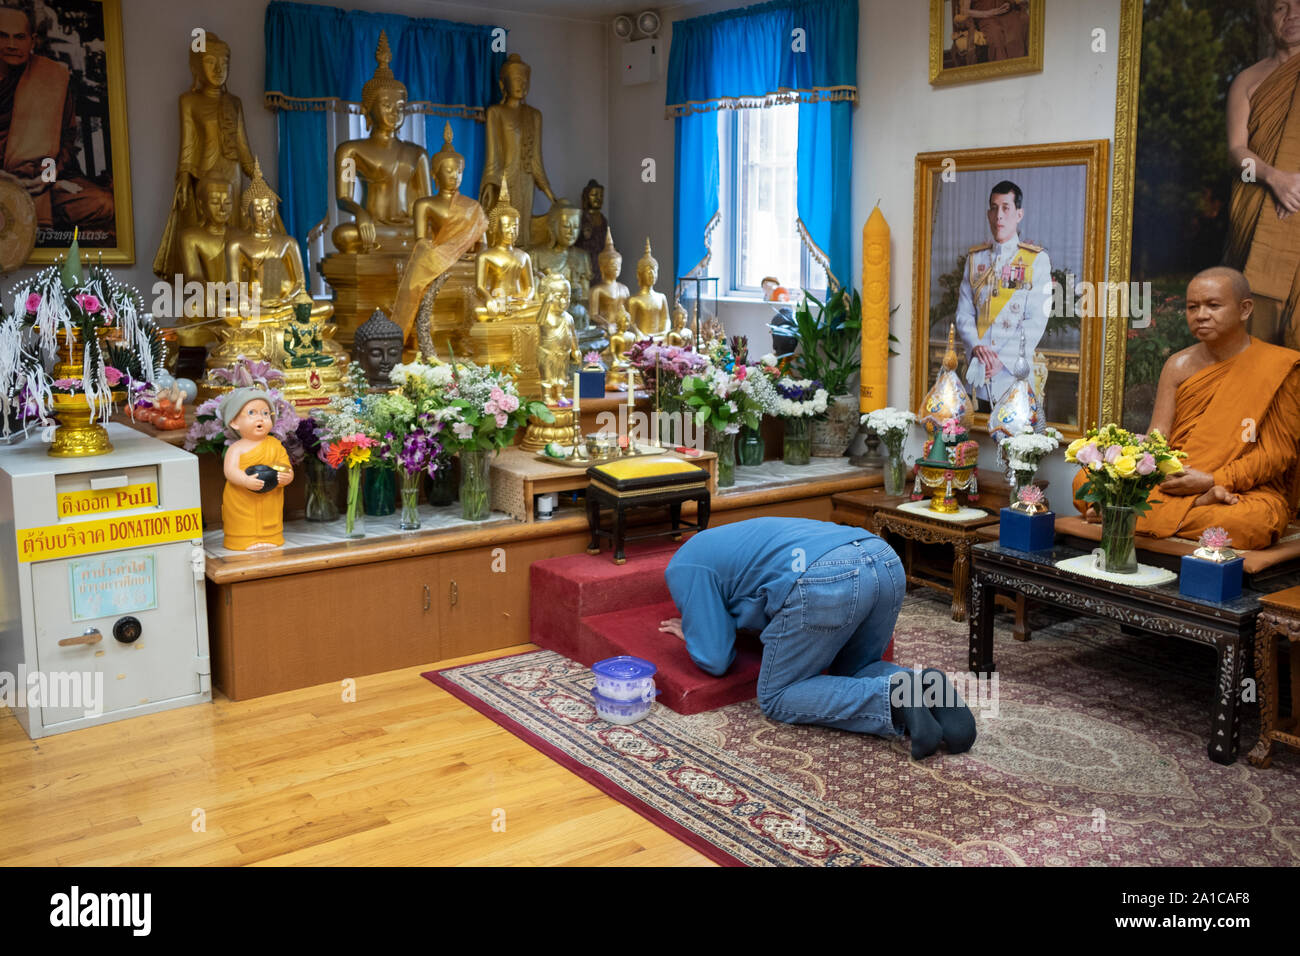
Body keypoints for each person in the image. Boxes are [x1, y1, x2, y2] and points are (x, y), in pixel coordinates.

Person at [659, 517, 976, 759]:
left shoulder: (682, 566)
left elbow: (715, 659)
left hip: (827, 578)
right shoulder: (735, 539)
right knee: (857, 668)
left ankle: (894, 697)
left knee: (778, 695)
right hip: (884, 559)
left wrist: (693, 632)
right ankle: (922, 685)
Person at [1075, 267, 1300, 550]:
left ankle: (1122, 514)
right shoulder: (1178, 366)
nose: (1201, 314)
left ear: (1245, 309)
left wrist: (1212, 480)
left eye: (1213, 305)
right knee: (1086, 481)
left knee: (1254, 522)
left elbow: (1277, 454)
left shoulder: (1279, 367)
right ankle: (1175, 508)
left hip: (1242, 489)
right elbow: (1159, 436)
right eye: (1193, 307)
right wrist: (1140, 464)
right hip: (1175, 480)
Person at [0, 4, 113, 240]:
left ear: (32, 41)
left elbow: (66, 142)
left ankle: (36, 211)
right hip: (2, 181)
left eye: (19, 37)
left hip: (43, 183)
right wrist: (6, 179)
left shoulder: (52, 77)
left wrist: (47, 178)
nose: (11, 44)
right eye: (3, 36)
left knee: (102, 204)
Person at [1225, 0, 1300, 347]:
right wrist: (1274, 178)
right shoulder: (1248, 80)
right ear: (1267, 18)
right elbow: (1237, 150)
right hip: (1258, 207)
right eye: (1281, 8)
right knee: (1257, 333)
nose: (1292, 15)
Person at [953, 179, 1052, 408]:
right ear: (988, 214)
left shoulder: (1036, 260)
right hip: (977, 377)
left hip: (1012, 378)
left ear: (1019, 214)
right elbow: (963, 314)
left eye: (1006, 208)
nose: (999, 215)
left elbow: (1036, 320)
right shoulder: (975, 260)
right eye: (994, 208)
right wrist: (976, 348)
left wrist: (1002, 361)